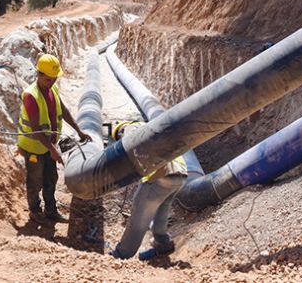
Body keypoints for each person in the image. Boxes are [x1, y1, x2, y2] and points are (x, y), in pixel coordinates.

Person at [18, 54, 92, 224]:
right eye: (48, 79)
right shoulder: (31, 96)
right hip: (34, 147)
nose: (51, 82)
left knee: (51, 178)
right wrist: (53, 150)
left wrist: (78, 130)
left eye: (54, 79)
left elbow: (63, 110)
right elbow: (36, 129)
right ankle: (35, 212)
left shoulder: (53, 89)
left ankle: (51, 210)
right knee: (35, 181)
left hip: (49, 144)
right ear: (39, 74)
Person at [110, 121, 188, 259]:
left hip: (161, 176)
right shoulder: (152, 126)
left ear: (120, 131)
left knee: (139, 217)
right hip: (179, 175)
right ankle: (163, 245)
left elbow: (131, 146)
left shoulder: (129, 129)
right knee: (161, 213)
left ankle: (121, 254)